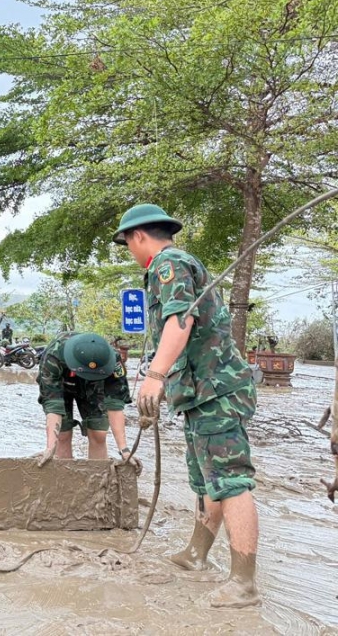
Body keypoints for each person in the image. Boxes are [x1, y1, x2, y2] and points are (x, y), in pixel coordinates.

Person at [115, 203, 260, 608]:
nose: (129, 250)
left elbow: (181, 321)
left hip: (217, 390)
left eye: (127, 243)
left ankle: (244, 582)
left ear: (139, 236)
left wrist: (154, 376)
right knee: (207, 479)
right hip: (199, 392)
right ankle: (197, 554)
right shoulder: (172, 265)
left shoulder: (169, 264)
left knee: (231, 482)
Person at [36, 331, 135, 466]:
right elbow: (53, 405)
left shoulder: (113, 361)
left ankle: (98, 479)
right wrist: (50, 447)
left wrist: (124, 450)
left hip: (95, 384)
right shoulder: (54, 356)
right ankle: (65, 479)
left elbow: (115, 405)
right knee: (62, 435)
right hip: (62, 383)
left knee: (99, 433)